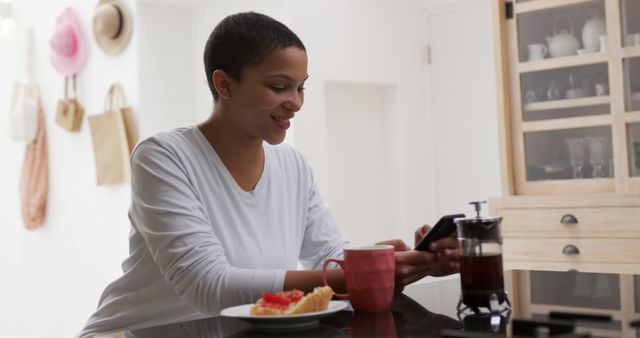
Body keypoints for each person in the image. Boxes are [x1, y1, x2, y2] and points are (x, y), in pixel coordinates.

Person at [78, 11, 459, 337]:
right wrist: (361, 274)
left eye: (300, 88)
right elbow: (209, 287)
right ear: (224, 83)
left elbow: (328, 259)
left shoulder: (292, 166)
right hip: (139, 330)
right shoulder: (163, 157)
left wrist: (403, 264)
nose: (295, 102)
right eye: (279, 87)